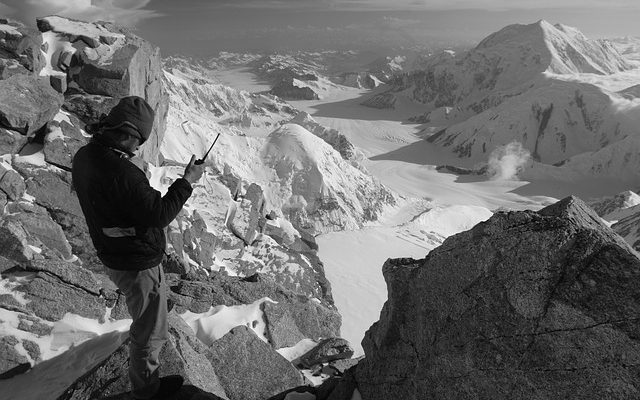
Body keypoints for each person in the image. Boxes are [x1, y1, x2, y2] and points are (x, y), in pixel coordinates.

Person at [72, 96, 204, 399]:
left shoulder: (85, 155)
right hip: (137, 263)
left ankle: (148, 384)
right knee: (150, 331)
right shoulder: (122, 172)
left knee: (146, 323)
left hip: (114, 254)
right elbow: (159, 214)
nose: (137, 148)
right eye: (139, 140)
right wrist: (187, 181)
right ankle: (147, 391)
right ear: (130, 133)